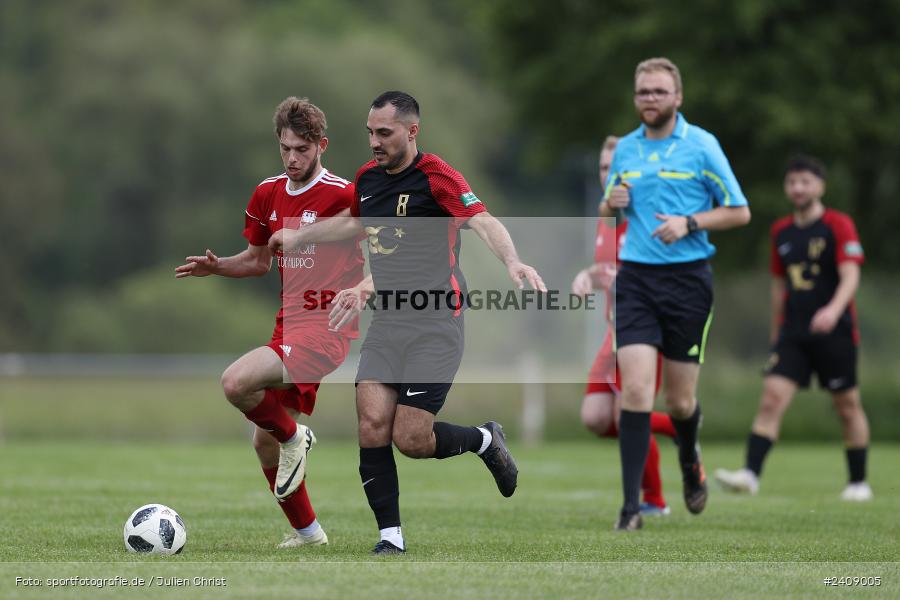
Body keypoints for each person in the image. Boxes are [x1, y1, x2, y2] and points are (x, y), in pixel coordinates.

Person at [269, 90, 546, 554]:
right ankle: (389, 537)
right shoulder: (367, 179)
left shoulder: (437, 178)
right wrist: (302, 236)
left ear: (411, 131)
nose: (375, 142)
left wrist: (513, 262)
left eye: (385, 133)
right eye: (370, 133)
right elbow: (353, 226)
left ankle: (483, 440)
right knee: (371, 423)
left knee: (412, 439)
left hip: (437, 324)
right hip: (389, 324)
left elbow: (482, 220)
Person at [175, 97, 365, 547]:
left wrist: (366, 287)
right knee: (264, 442)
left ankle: (297, 437)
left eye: (302, 149)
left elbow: (383, 241)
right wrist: (219, 266)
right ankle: (308, 534)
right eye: (285, 149)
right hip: (290, 324)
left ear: (322, 145)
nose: (293, 158)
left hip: (328, 323)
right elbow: (259, 262)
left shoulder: (344, 194)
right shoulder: (267, 193)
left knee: (235, 383)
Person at [601, 58, 751, 530]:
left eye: (659, 92)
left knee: (680, 403)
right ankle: (630, 509)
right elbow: (608, 204)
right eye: (643, 91)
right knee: (637, 391)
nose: (650, 99)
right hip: (636, 280)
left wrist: (690, 222)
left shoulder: (702, 146)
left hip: (688, 281)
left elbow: (739, 211)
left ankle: (690, 461)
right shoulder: (625, 149)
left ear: (677, 97)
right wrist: (612, 203)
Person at [715, 155, 871, 501]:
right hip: (793, 335)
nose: (798, 188)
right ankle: (751, 475)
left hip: (836, 332)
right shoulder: (780, 231)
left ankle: (858, 482)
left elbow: (851, 275)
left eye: (805, 182)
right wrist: (776, 333)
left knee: (846, 405)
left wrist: (832, 310)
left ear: (820, 186)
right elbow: (778, 287)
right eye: (792, 182)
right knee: (771, 398)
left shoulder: (838, 224)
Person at [572, 136, 677, 516]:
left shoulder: (651, 216)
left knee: (625, 415)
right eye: (603, 168)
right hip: (613, 333)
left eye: (617, 168)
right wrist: (589, 276)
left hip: (645, 331)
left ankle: (654, 500)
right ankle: (678, 428)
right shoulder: (605, 218)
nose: (609, 176)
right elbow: (609, 271)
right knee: (596, 417)